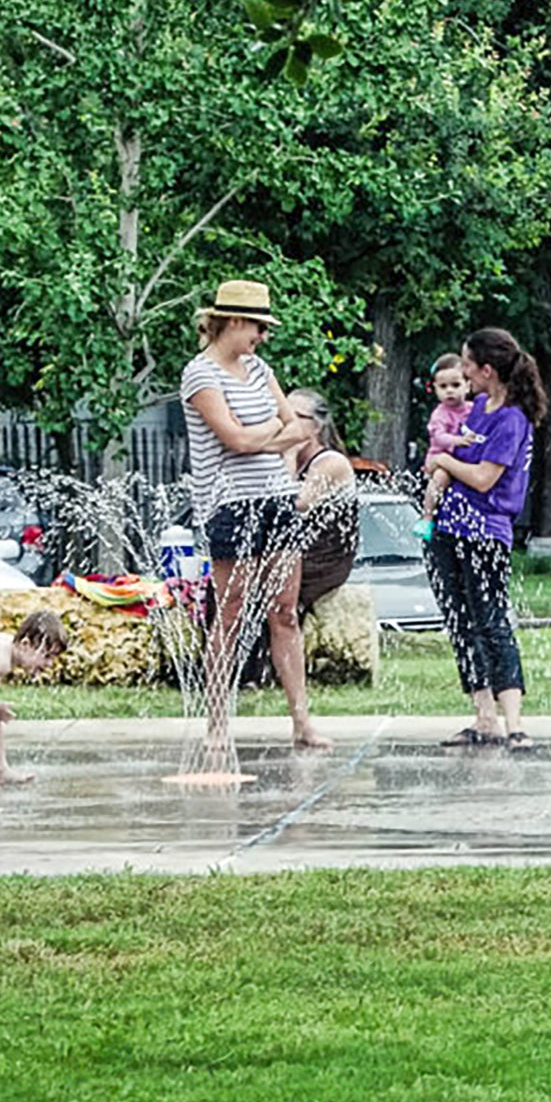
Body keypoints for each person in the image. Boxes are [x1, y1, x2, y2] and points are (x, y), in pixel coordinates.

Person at [179, 279, 328, 754]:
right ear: (234, 322)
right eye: (258, 328)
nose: (262, 337)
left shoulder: (259, 368)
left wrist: (258, 435)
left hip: (276, 498)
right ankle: (218, 723)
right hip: (228, 504)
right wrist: (265, 434)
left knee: (284, 611)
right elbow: (234, 441)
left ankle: (302, 722)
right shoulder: (201, 375)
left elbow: (297, 429)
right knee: (231, 612)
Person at [426, 327, 543, 752]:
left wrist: (442, 461)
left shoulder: (511, 418)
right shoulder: (477, 408)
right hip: (448, 529)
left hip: (485, 531)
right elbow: (458, 456)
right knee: (461, 623)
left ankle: (514, 722)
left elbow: (482, 477)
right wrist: (443, 467)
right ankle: (484, 717)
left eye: (468, 365)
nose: (463, 372)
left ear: (487, 370)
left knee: (492, 621)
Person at [0, 610, 68, 786]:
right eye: (46, 656)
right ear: (25, 644)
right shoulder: (2, 663)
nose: (49, 664)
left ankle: (0, 771)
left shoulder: (8, 647)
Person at [286, 388, 360, 616]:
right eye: (283, 414)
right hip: (297, 551)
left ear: (316, 427)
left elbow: (296, 503)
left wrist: (288, 453)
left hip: (324, 558)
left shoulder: (331, 462)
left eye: (295, 416)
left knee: (275, 591)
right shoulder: (291, 460)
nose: (286, 421)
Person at [414, 354, 474, 540]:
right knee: (440, 478)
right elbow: (438, 437)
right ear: (435, 389)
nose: (449, 391)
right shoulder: (440, 414)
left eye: (455, 385)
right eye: (443, 386)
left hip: (461, 461)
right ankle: (427, 517)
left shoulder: (474, 409)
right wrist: (457, 440)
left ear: (468, 386)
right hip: (439, 459)